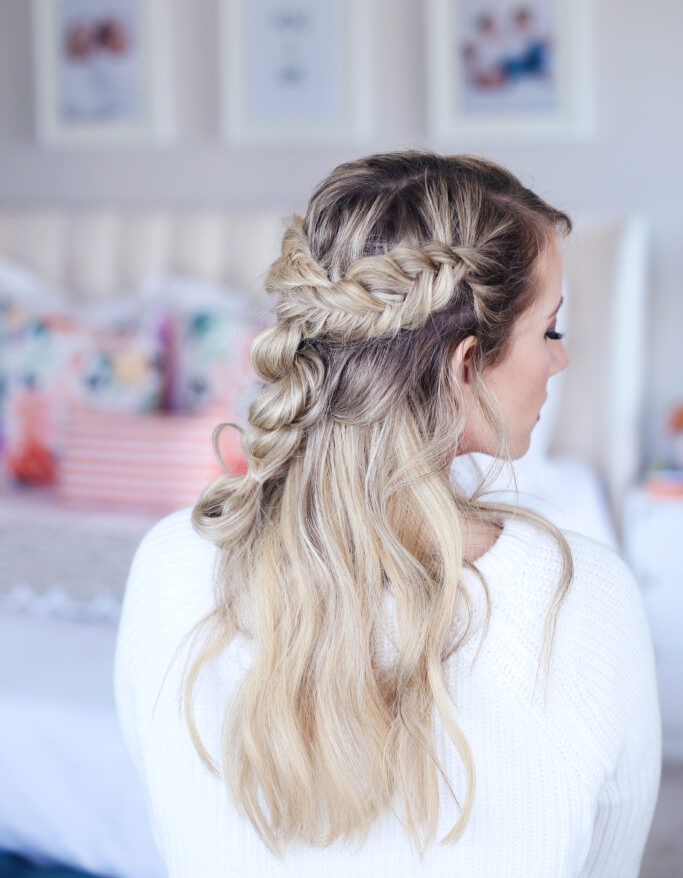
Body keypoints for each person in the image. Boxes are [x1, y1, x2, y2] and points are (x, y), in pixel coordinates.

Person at [115, 152, 661, 877]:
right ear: (464, 367)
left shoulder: (169, 565)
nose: (558, 362)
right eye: (550, 331)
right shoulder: (580, 599)